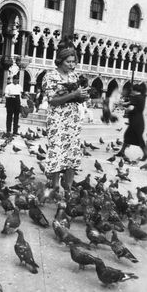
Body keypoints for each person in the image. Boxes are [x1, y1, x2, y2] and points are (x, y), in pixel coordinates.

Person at [42, 44, 89, 198]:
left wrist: (82, 96)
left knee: (72, 152)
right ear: (60, 61)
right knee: (57, 151)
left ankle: (68, 186)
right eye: (68, 61)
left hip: (73, 119)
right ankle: (55, 185)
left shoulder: (74, 76)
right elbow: (53, 101)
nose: (72, 65)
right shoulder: (50, 76)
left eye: (74, 62)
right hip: (57, 120)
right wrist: (74, 94)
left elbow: (78, 99)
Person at [116, 83, 147, 161]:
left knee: (137, 138)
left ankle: (146, 154)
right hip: (140, 121)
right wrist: (123, 104)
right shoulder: (142, 97)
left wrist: (124, 109)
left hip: (135, 121)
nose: (131, 91)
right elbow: (131, 104)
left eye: (132, 90)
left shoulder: (135, 97)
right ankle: (122, 151)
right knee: (129, 137)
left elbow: (131, 107)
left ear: (135, 90)